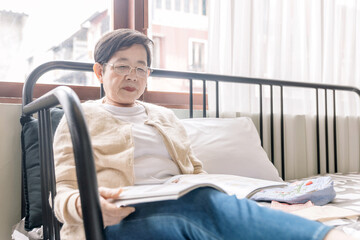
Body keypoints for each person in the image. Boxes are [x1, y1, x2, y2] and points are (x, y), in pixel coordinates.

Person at [53, 29, 353, 240]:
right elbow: (63, 193)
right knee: (200, 205)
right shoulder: (80, 116)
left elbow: (195, 171)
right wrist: (86, 205)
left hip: (181, 200)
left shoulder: (164, 116)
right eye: (122, 66)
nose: (133, 76)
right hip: (118, 218)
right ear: (99, 71)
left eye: (141, 68)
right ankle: (330, 237)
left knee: (216, 202)